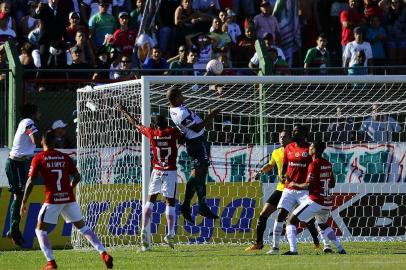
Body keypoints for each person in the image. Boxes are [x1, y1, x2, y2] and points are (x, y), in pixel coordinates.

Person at [20, 131, 113, 270]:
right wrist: (70, 187)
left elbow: (30, 181)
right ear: (55, 143)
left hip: (53, 199)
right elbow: (77, 176)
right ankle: (103, 252)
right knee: (82, 227)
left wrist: (23, 201)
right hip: (69, 198)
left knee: (40, 230)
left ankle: (51, 263)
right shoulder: (64, 157)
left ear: (42, 142)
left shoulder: (39, 158)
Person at [115, 105, 184, 251]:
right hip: (170, 172)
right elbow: (183, 135)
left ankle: (143, 231)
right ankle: (170, 233)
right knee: (170, 202)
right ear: (166, 123)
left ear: (155, 124)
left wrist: (124, 111)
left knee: (150, 201)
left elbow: (135, 123)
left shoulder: (151, 132)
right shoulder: (173, 131)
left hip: (156, 171)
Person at [268, 125, 327, 254]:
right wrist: (283, 176)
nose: (294, 132)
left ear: (304, 133)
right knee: (281, 215)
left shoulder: (310, 149)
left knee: (314, 217)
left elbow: (317, 165)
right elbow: (285, 166)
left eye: (297, 131)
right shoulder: (289, 148)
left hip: (305, 190)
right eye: (293, 130)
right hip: (289, 188)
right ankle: (275, 247)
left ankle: (325, 245)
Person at [167, 86, 220, 222]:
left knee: (196, 174)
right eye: (180, 95)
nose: (183, 97)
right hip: (196, 143)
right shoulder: (180, 113)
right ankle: (202, 205)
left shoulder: (175, 109)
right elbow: (196, 128)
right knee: (200, 174)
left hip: (197, 142)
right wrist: (211, 115)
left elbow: (196, 125)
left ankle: (186, 205)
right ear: (175, 99)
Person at [283, 141, 346, 255]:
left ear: (315, 150)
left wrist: (294, 184)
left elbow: (308, 185)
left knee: (291, 220)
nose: (308, 149)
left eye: (311, 147)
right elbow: (332, 184)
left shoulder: (313, 165)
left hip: (316, 201)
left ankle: (293, 250)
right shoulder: (327, 163)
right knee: (322, 224)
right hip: (327, 202)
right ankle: (340, 248)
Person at [245, 130, 292, 251]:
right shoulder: (276, 152)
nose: (282, 139)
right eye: (280, 137)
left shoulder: (295, 151)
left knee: (303, 217)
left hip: (294, 189)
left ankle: (317, 243)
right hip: (281, 189)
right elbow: (271, 164)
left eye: (285, 137)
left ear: (290, 138)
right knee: (263, 214)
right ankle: (258, 243)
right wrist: (260, 172)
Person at [4, 104, 40, 247]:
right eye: (38, 111)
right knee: (19, 196)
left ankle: (13, 230)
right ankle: (13, 230)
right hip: (15, 164)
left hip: (19, 164)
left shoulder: (24, 122)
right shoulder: (28, 122)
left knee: (19, 196)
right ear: (33, 113)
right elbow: (34, 139)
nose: (40, 114)